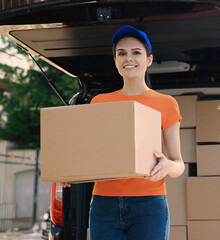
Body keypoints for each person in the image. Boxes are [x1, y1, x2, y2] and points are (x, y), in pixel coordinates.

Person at [62, 26, 184, 240]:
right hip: (104, 203)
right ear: (116, 60)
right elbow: (89, 153)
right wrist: (69, 170)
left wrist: (167, 166)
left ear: (149, 59)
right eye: (121, 53)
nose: (129, 58)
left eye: (136, 52)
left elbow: (178, 165)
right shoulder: (100, 102)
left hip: (149, 204)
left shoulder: (166, 104)